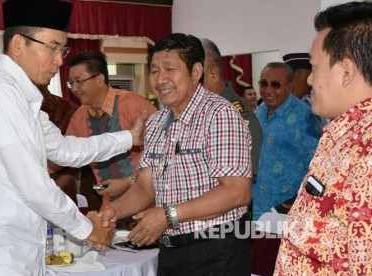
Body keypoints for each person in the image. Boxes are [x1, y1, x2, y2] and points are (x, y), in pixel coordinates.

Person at [0, 1, 145, 275]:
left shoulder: (21, 96)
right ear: (18, 44)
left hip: (17, 252)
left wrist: (128, 138)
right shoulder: (0, 93)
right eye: (52, 47)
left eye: (61, 49)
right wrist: (87, 229)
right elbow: (33, 184)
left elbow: (65, 149)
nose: (59, 60)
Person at [101, 33, 253, 275]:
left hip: (215, 252)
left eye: (170, 69)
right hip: (171, 252)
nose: (161, 79)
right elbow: (145, 187)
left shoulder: (219, 115)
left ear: (195, 72)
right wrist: (113, 211)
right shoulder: (157, 122)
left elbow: (237, 192)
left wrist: (168, 215)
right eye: (154, 71)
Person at [275, 2, 372, 274]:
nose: (308, 81)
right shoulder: (343, 136)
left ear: (346, 72)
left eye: (315, 68)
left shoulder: (367, 153)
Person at [56, 51, 156, 207]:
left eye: (79, 81)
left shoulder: (134, 105)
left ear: (99, 79)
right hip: (110, 207)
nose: (74, 88)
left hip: (148, 205)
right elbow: (69, 159)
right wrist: (49, 190)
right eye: (71, 83)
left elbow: (162, 158)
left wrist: (128, 182)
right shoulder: (79, 117)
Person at [252, 62, 323, 220]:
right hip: (257, 205)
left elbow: (319, 166)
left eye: (276, 85)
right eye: (263, 84)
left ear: (290, 86)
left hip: (285, 210)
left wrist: (302, 200)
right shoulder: (261, 110)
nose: (268, 90)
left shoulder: (305, 117)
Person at [200, 38, 262, 187]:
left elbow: (240, 186)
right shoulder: (201, 108)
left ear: (213, 74)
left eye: (194, 75)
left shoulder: (239, 117)